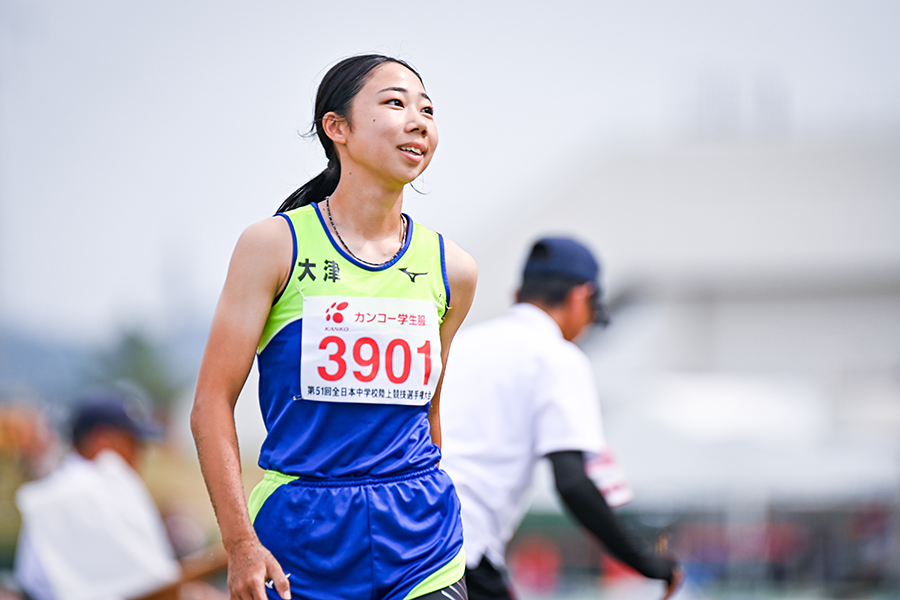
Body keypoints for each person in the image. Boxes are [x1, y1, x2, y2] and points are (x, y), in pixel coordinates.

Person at [190, 54, 477, 600]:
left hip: (422, 543)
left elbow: (429, 411)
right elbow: (209, 405)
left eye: (428, 110)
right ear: (336, 127)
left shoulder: (454, 269)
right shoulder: (272, 246)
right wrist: (240, 545)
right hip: (299, 541)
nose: (419, 121)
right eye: (395, 103)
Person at [439, 237, 683, 600]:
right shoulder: (559, 359)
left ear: (518, 292)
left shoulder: (462, 343)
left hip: (410, 533)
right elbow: (573, 482)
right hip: (462, 547)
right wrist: (651, 563)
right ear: (581, 297)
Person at [13, 392, 182, 600]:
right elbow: (151, 584)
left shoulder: (56, 493)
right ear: (103, 441)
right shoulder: (95, 490)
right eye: (134, 444)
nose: (140, 456)